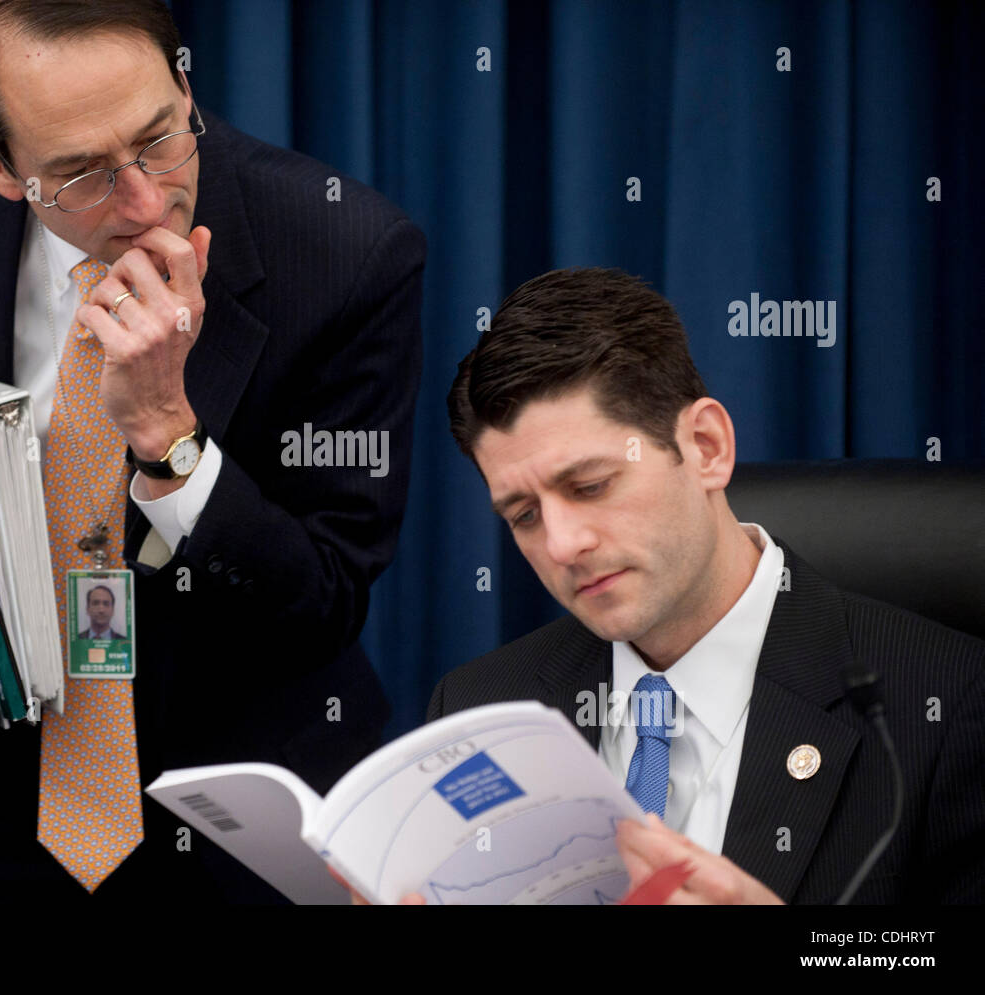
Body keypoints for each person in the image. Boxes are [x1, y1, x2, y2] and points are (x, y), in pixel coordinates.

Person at [0, 0, 424, 903]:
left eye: (160, 137)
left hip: (230, 809)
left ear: (184, 80)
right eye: (79, 175)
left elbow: (325, 595)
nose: (147, 198)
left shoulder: (346, 250)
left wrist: (168, 437)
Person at [416, 267, 981, 904]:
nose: (561, 544)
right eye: (524, 515)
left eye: (591, 486)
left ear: (706, 447)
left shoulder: (949, 706)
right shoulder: (477, 709)